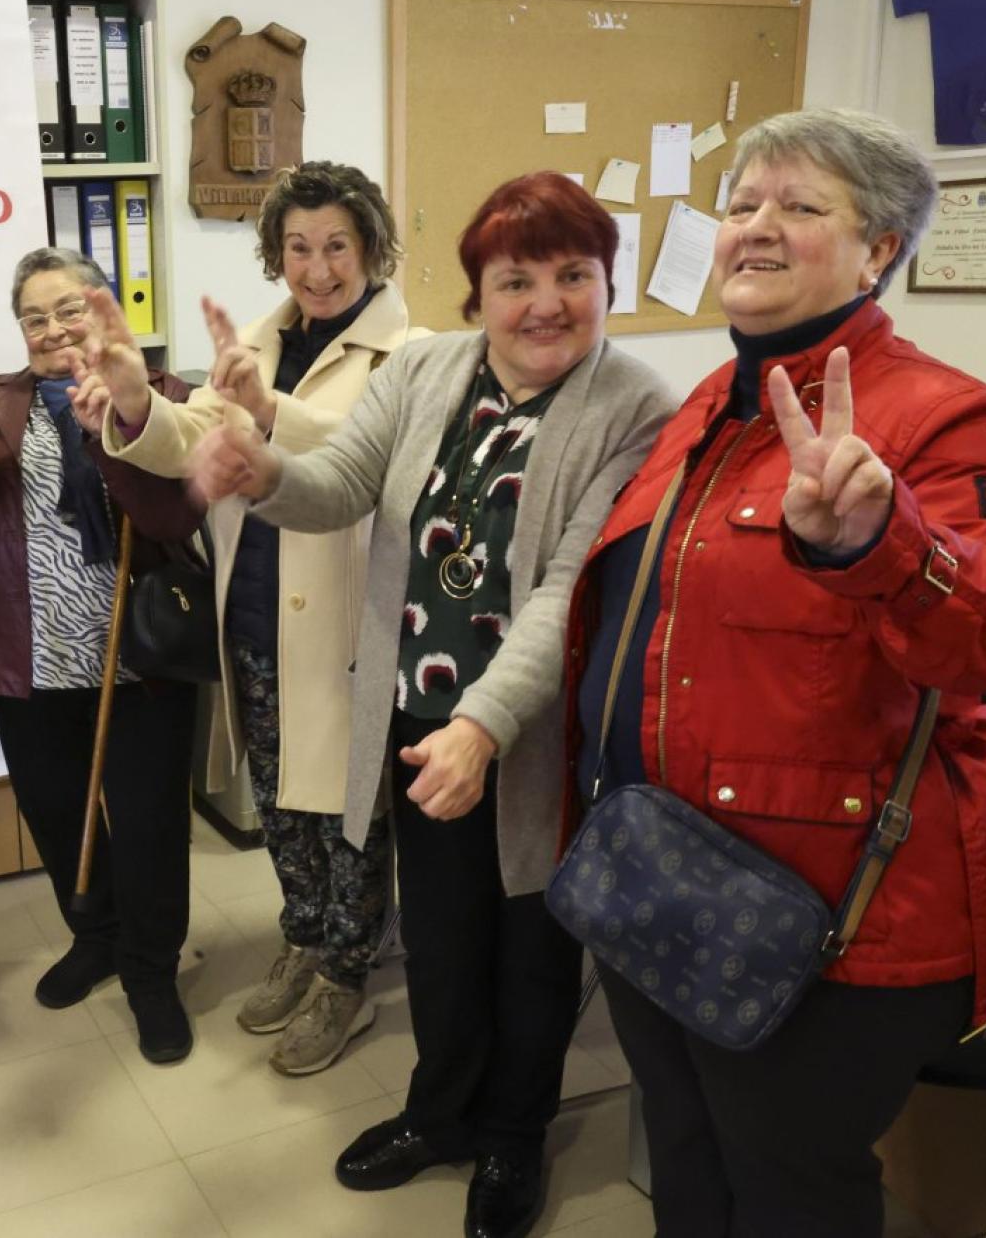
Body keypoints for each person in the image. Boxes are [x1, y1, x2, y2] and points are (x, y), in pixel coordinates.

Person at [567, 107, 986, 1237]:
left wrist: (880, 543)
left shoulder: (940, 416)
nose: (755, 227)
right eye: (743, 202)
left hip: (829, 913)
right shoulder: (712, 402)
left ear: (880, 247)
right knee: (687, 1160)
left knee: (790, 1189)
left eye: (800, 206)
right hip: (665, 871)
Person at [185, 173, 674, 1238]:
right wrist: (259, 464)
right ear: (476, 292)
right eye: (516, 279)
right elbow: (343, 483)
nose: (546, 301)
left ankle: (512, 1137)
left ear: (605, 280)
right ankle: (441, 1111)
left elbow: (566, 588)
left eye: (573, 275)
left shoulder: (637, 405)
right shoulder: (427, 370)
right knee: (445, 941)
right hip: (414, 720)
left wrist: (484, 725)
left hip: (530, 738)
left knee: (531, 952)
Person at [94, 162, 417, 1076]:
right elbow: (194, 434)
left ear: (372, 249)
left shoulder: (415, 351)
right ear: (276, 255)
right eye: (298, 247)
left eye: (337, 246)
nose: (318, 268)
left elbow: (371, 457)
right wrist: (132, 400)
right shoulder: (264, 340)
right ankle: (306, 938)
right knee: (279, 799)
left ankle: (348, 975)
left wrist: (270, 413)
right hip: (256, 610)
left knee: (348, 811)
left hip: (346, 621)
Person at [0, 248, 203, 1065]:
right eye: (35, 318)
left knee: (149, 827)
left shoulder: (158, 394)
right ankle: (98, 936)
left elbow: (172, 521)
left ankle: (152, 972)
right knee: (56, 814)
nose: (52, 330)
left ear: (105, 310)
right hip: (29, 662)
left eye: (69, 311)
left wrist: (112, 431)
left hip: (139, 660)